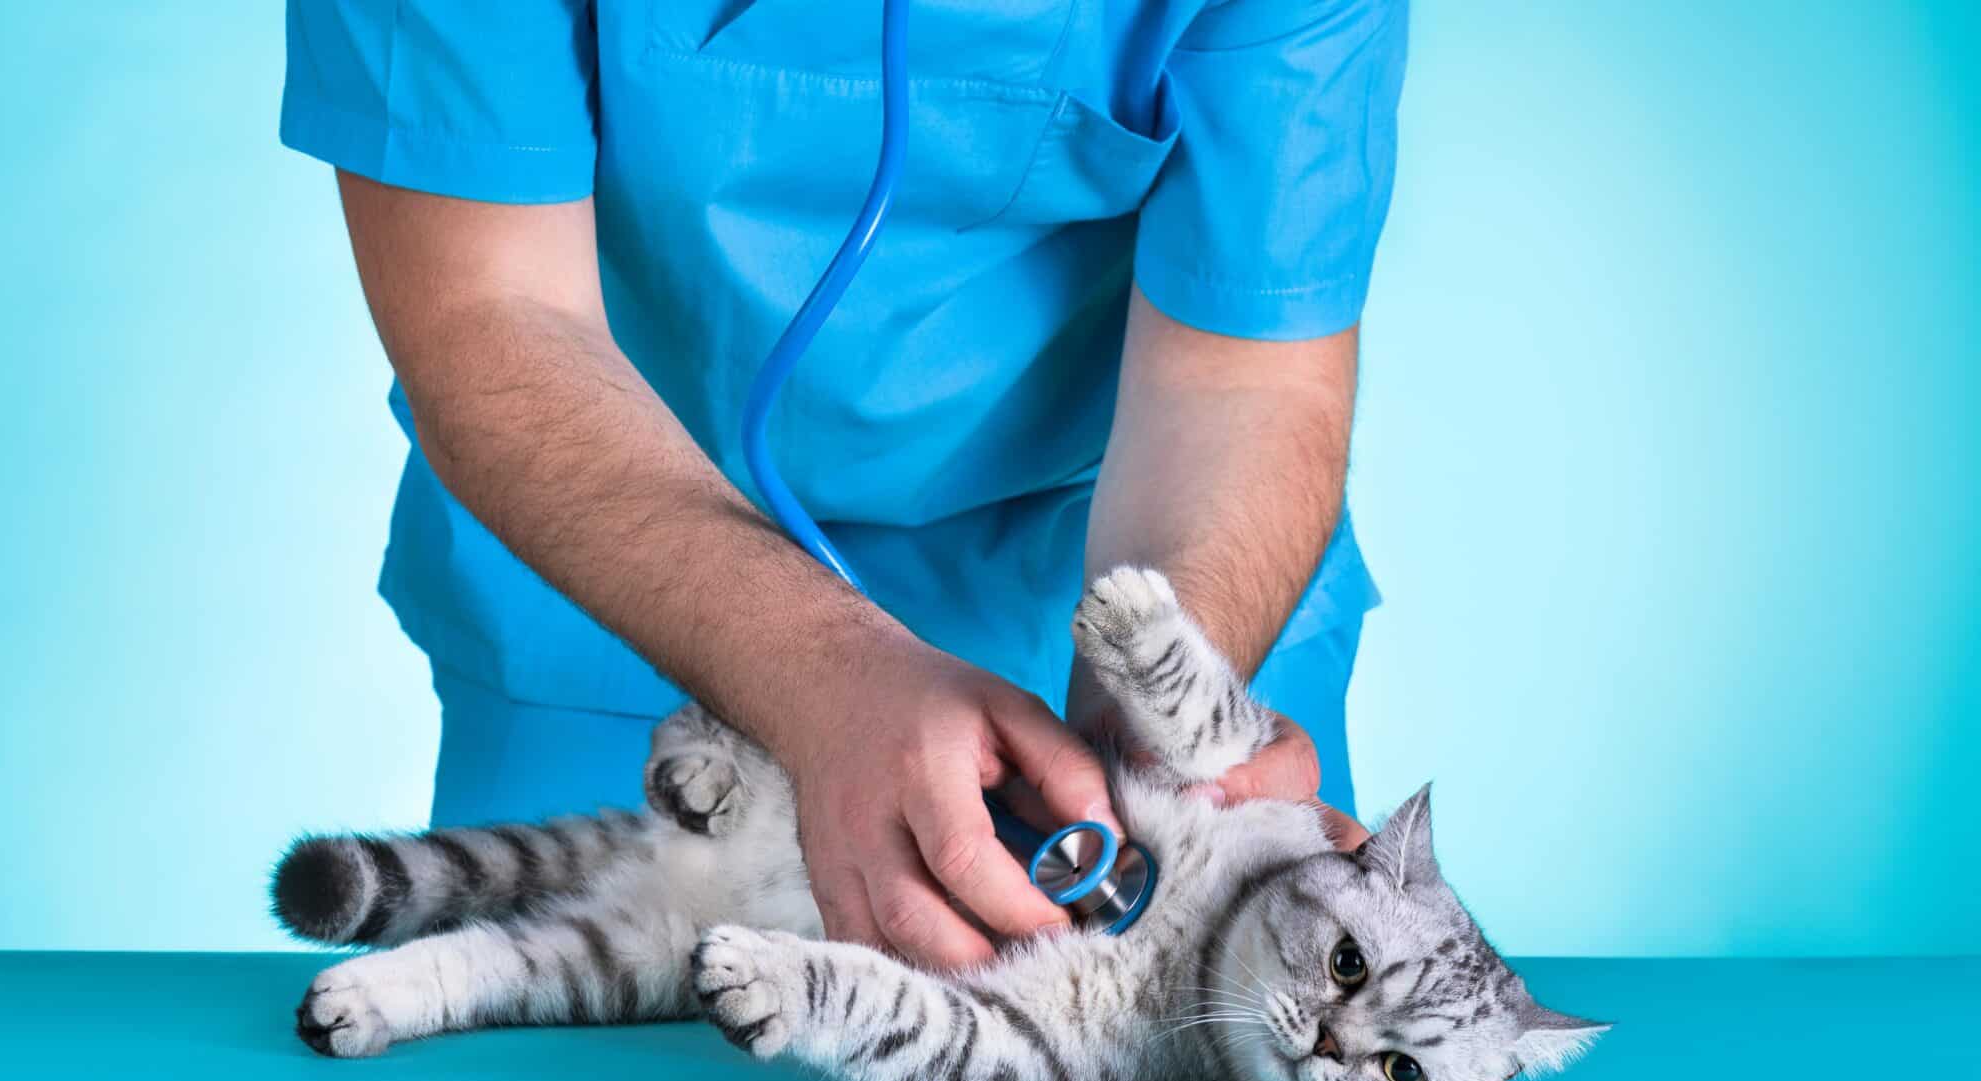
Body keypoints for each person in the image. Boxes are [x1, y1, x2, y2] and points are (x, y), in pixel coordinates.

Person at [282, 0, 1406, 971]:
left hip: (1107, 593)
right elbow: (489, 314)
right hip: (617, 615)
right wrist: (821, 674)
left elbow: (1240, 375)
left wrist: (1161, 718)